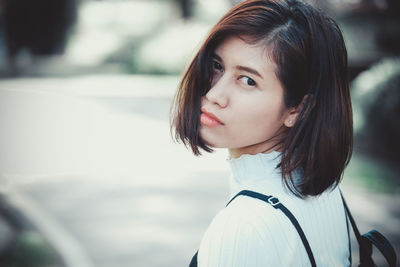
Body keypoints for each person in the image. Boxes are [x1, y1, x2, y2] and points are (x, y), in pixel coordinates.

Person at [170, 0, 353, 266]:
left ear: (298, 109)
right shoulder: (326, 191)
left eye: (248, 80)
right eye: (217, 66)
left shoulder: (243, 227)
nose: (214, 95)